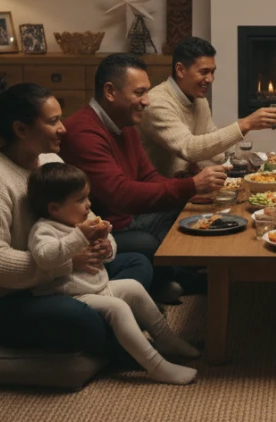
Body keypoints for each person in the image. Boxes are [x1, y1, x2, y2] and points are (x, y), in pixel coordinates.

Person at [0, 78, 154, 364]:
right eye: (53, 121)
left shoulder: (49, 161)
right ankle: (130, 341)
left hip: (51, 284)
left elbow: (85, 214)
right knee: (83, 320)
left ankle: (117, 327)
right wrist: (67, 263)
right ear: (21, 129)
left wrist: (103, 241)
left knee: (137, 263)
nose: (63, 128)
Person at [60, 53, 225, 301]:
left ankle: (173, 277)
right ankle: (183, 278)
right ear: (110, 91)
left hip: (130, 217)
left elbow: (149, 177)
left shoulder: (124, 123)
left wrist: (191, 189)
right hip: (104, 231)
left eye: (147, 92)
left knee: (191, 209)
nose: (147, 101)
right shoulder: (83, 133)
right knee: (147, 241)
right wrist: (190, 185)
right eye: (139, 93)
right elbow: (120, 196)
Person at [27, 163, 199, 384]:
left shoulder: (83, 220)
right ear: (54, 209)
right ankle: (155, 366)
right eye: (80, 199)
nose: (89, 204)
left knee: (134, 287)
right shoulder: (44, 230)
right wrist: (80, 236)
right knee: (118, 308)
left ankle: (165, 338)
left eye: (87, 197)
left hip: (97, 286)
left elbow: (110, 241)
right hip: (70, 295)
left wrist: (107, 248)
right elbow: (45, 257)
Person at [140, 36, 276, 178]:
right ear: (180, 70)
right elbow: (189, 148)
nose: (210, 79)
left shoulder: (199, 100)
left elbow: (212, 146)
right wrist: (245, 124)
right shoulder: (157, 102)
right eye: (204, 72)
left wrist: (246, 158)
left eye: (212, 72)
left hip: (188, 182)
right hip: (161, 187)